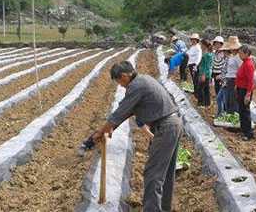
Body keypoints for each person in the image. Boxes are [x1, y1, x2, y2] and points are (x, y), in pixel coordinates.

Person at [91, 61, 183, 212]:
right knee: (165, 172)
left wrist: (101, 132)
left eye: (119, 81)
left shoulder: (136, 86)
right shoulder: (144, 80)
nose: (120, 85)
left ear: (125, 76)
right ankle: (164, 208)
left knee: (153, 174)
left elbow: (121, 112)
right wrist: (110, 128)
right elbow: (130, 111)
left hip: (166, 127)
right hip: (173, 123)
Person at [235, 45, 255, 141]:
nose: (239, 55)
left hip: (245, 90)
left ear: (246, 54)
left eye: (241, 53)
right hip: (240, 89)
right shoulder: (244, 62)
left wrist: (248, 94)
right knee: (242, 111)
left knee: (245, 112)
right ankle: (244, 130)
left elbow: (250, 81)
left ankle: (248, 133)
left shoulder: (248, 64)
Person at [221, 36, 242, 113]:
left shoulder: (238, 57)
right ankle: (229, 114)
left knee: (233, 99)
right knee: (229, 99)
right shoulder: (232, 56)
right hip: (229, 79)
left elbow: (240, 70)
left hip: (234, 80)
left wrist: (237, 82)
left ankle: (234, 115)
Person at [197, 39, 214, 107]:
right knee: (206, 88)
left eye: (201, 44)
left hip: (205, 74)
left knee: (200, 88)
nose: (200, 46)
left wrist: (203, 74)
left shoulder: (207, 54)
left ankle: (202, 103)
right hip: (206, 73)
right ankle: (207, 103)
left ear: (204, 45)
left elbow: (206, 65)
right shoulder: (207, 53)